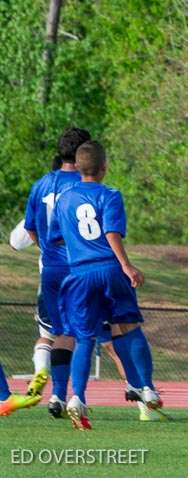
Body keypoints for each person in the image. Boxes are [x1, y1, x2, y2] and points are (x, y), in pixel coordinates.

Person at [51, 141, 161, 431]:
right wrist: (126, 265)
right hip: (110, 269)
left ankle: (77, 398)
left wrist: (79, 244)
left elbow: (56, 237)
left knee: (84, 338)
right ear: (104, 168)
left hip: (80, 274)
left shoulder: (64, 198)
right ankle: (147, 389)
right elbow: (112, 231)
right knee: (129, 327)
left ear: (78, 169)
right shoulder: (111, 194)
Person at [21, 127, 89, 414]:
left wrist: (48, 252)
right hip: (79, 270)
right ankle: (68, 395)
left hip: (49, 271)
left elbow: (30, 229)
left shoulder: (41, 184)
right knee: (80, 335)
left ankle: (53, 391)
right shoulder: (85, 185)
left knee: (54, 332)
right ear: (84, 152)